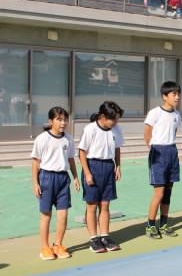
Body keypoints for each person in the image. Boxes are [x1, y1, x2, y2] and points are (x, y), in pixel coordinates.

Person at [31, 107, 81, 260]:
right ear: (50, 121)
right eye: (59, 119)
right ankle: (45, 248)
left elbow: (71, 159)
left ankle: (58, 245)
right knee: (46, 215)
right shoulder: (42, 139)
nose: (63, 123)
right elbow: (36, 162)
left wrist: (75, 177)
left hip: (63, 179)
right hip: (47, 178)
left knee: (63, 215)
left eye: (65, 119)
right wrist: (35, 183)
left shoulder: (69, 138)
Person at [78, 101, 124, 253]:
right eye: (113, 119)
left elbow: (117, 149)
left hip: (108, 167)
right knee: (92, 205)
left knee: (105, 205)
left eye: (117, 119)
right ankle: (94, 239)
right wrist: (87, 173)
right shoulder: (90, 129)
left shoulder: (116, 129)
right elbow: (82, 152)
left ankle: (105, 236)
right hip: (93, 166)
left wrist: (118, 166)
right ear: (103, 117)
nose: (116, 122)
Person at [143, 81, 181, 239]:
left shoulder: (177, 114)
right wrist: (154, 149)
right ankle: (150, 225)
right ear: (165, 96)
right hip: (158, 152)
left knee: (168, 192)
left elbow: (174, 132)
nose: (177, 97)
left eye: (178, 94)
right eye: (174, 94)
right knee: (159, 193)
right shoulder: (155, 113)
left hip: (172, 151)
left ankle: (164, 224)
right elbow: (147, 134)